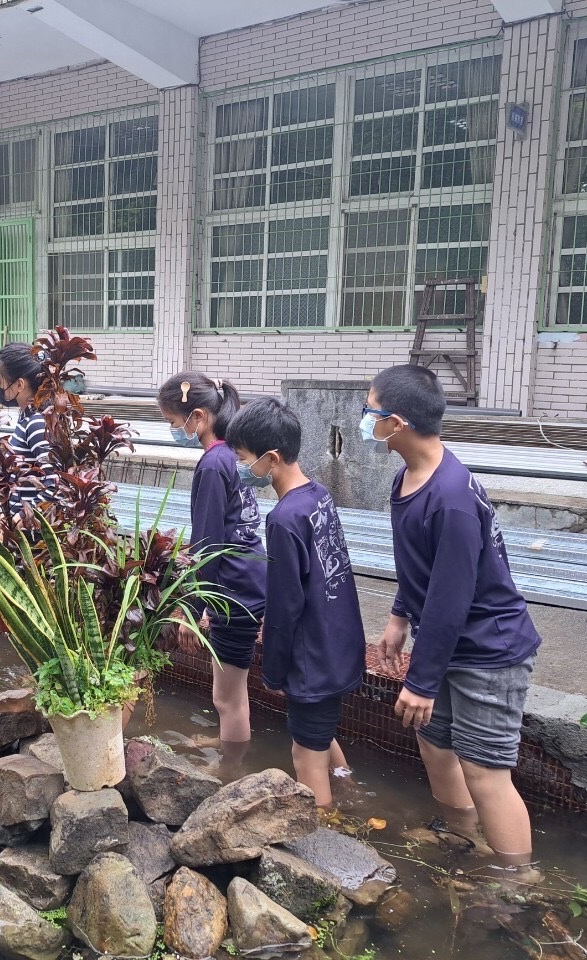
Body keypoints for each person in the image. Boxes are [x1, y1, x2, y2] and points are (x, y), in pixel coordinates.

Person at [367, 364, 541, 872]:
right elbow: (422, 568)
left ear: (396, 423)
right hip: (447, 643)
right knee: (434, 742)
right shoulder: (409, 478)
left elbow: (451, 599)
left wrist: (421, 682)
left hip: (488, 650)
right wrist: (400, 614)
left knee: (486, 771)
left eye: (369, 409)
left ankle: (516, 884)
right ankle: (461, 839)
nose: (365, 420)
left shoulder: (450, 498)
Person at [227, 397, 365, 808]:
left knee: (304, 755)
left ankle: (325, 839)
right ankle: (352, 792)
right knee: (319, 734)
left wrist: (272, 669)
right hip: (340, 644)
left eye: (243, 458)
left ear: (270, 459)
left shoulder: (284, 519)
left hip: (311, 657)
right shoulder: (318, 495)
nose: (240, 468)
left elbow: (285, 605)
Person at [157, 373, 266, 745]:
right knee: (235, 692)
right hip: (249, 582)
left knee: (227, 698)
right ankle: (230, 746)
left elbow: (208, 543)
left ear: (198, 417)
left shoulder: (212, 464)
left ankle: (231, 774)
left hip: (233, 592)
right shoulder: (231, 455)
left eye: (174, 422)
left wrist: (191, 609)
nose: (173, 429)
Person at [0, 342, 55, 512]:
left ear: (19, 385)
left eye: (1, 382)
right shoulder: (26, 415)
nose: (0, 389)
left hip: (32, 534)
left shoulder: (37, 422)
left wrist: (24, 517)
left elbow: (55, 482)